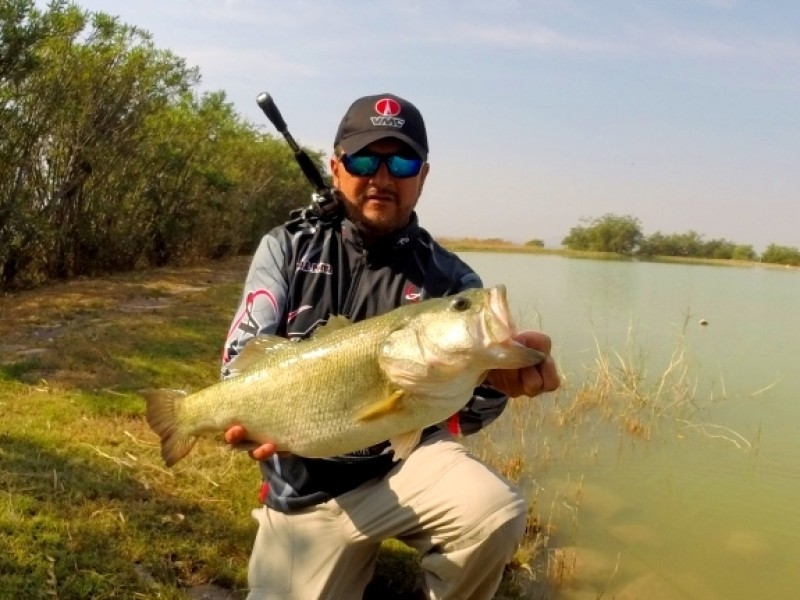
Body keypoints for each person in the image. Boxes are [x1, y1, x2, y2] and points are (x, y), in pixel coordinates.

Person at [222, 93, 560, 600]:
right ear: (336, 169)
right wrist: (254, 418)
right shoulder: (287, 246)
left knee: (494, 512)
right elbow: (238, 363)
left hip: (405, 467)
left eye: (401, 162)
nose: (382, 177)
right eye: (364, 159)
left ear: (423, 177)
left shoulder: (451, 279)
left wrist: (494, 383)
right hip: (304, 490)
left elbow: (463, 418)